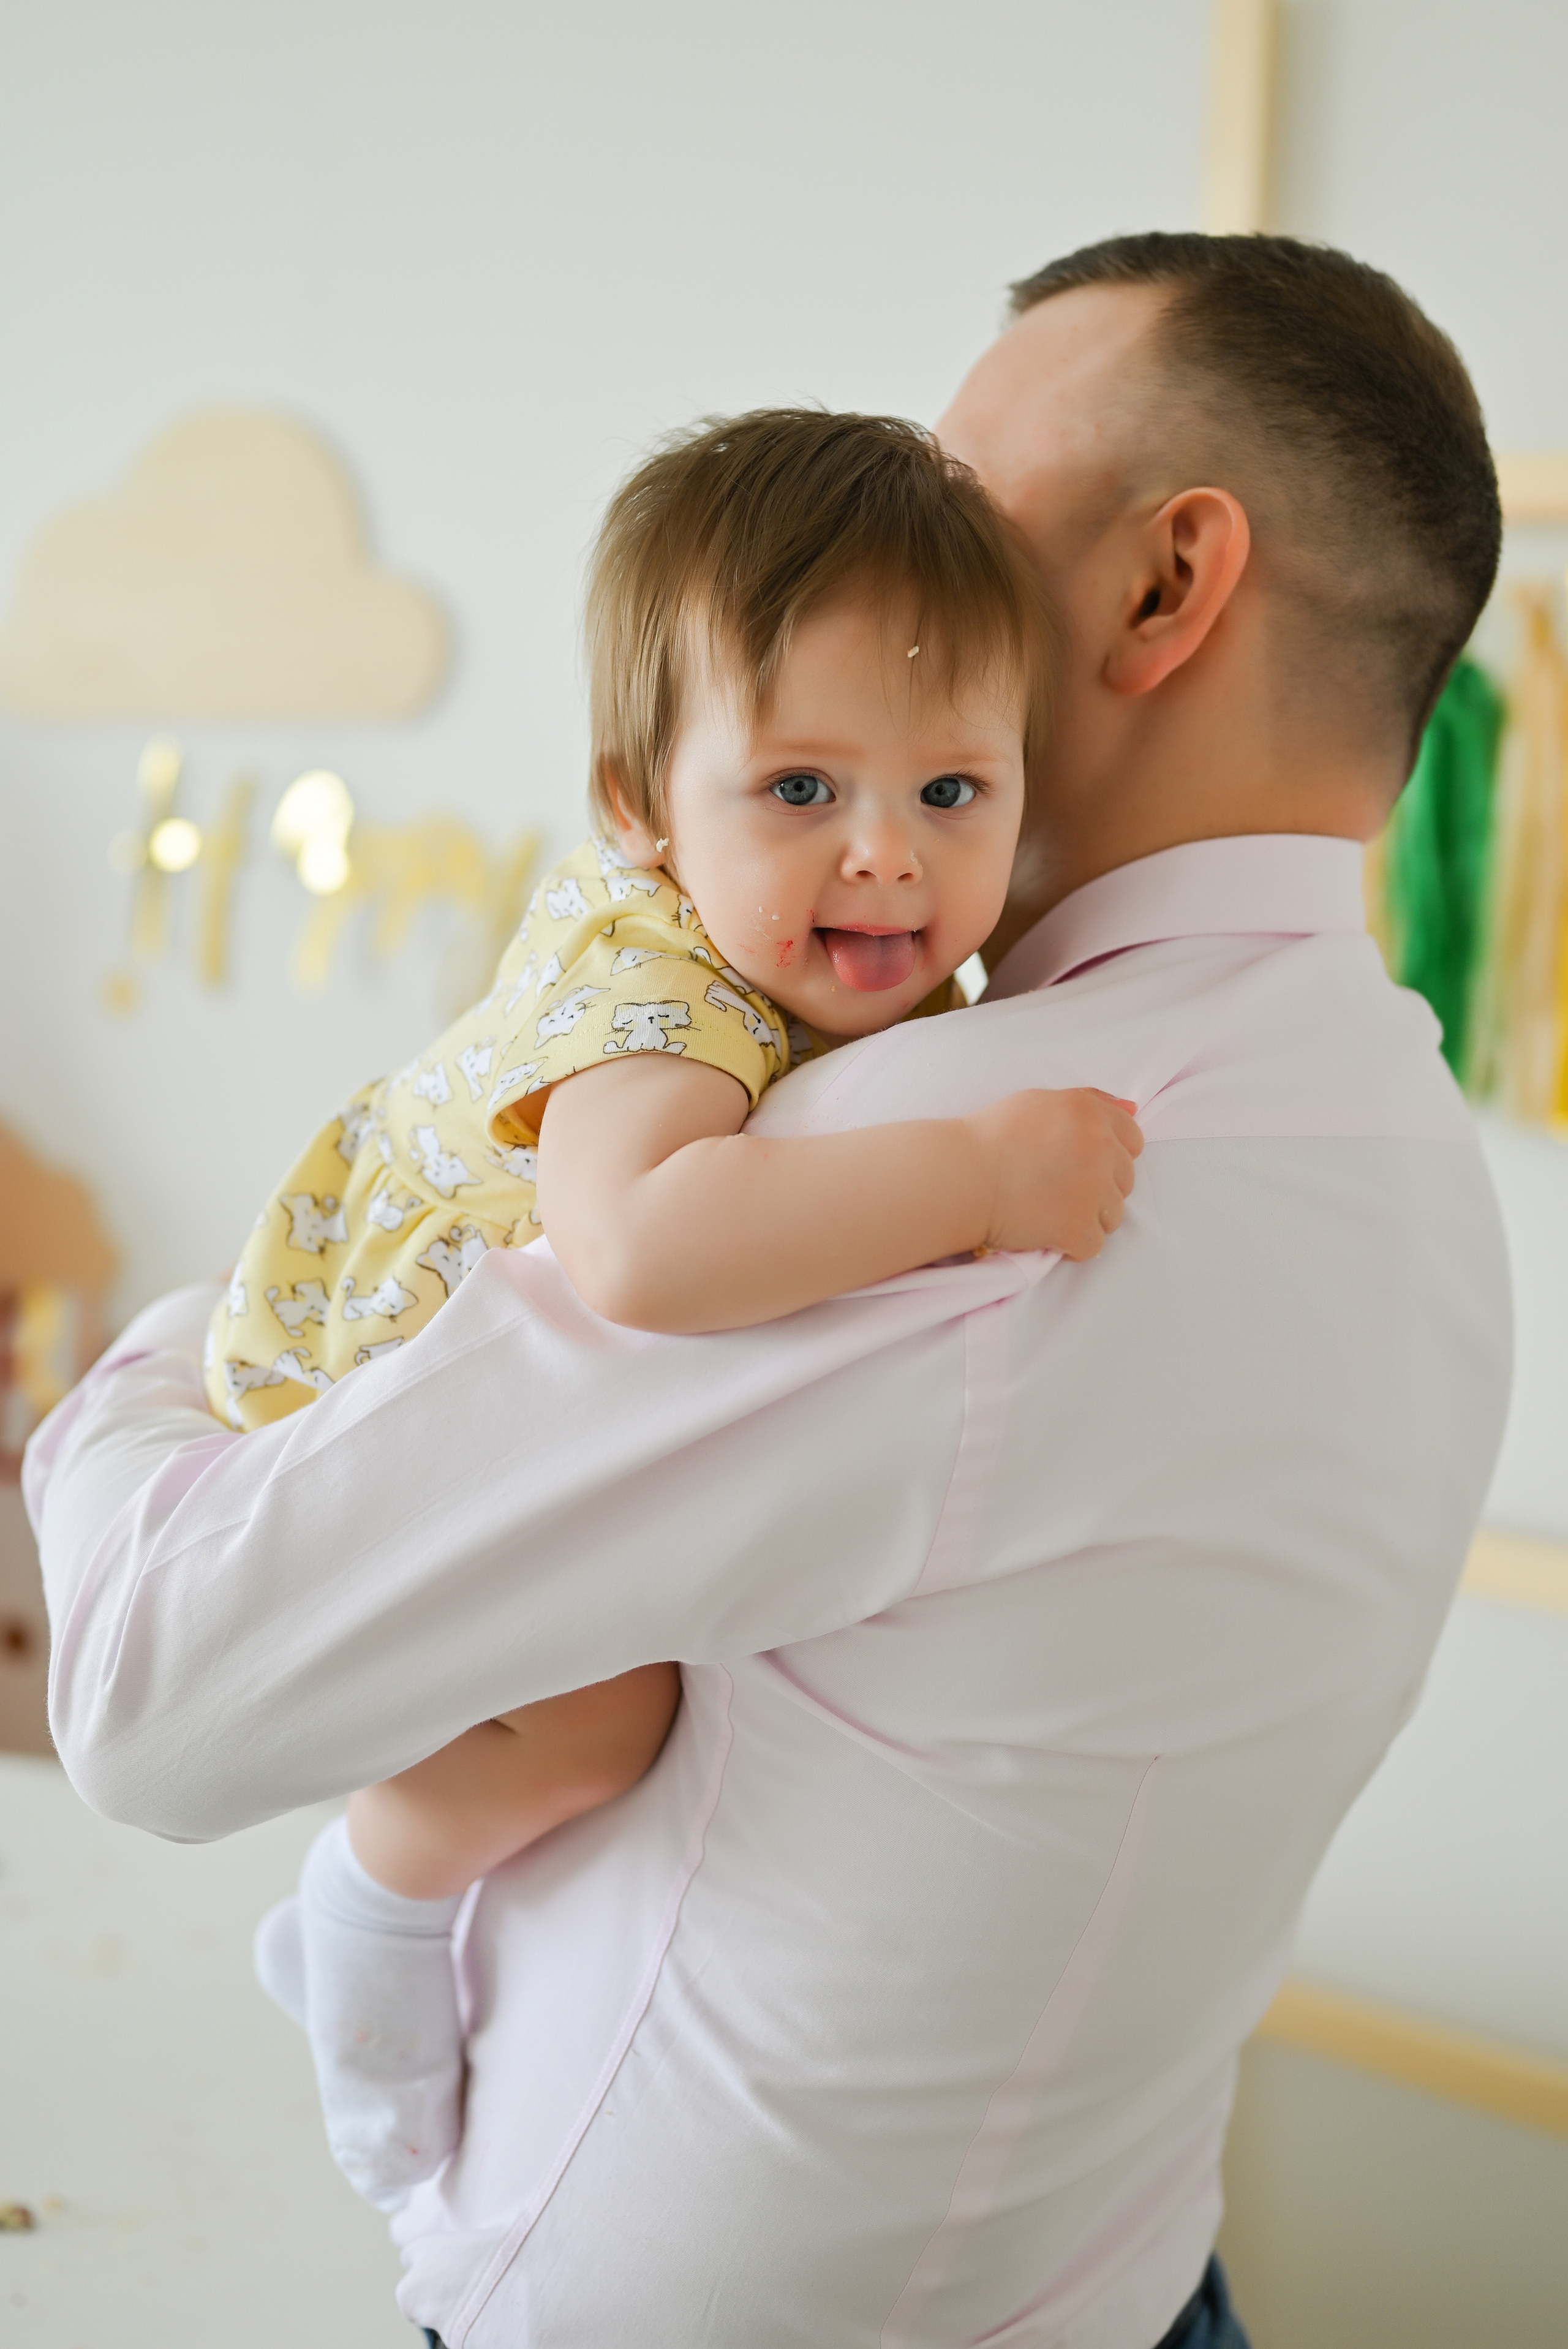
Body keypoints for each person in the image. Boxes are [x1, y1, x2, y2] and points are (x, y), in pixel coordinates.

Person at [25, 235, 1512, 2349]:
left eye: (963, 518)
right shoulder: (1407, 1149)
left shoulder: (936, 1181)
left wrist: (165, 1363)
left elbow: (156, 1692)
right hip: (1120, 2282)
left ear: (1167, 589)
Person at [209, 408, 1139, 2208]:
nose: (885, 856)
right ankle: (371, 1901)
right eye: (800, 789)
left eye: (950, 792)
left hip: (512, 1416)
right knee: (602, 1722)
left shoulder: (849, 979)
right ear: (640, 804)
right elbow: (640, 1237)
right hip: (359, 1378)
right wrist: (982, 1177)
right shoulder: (661, 987)